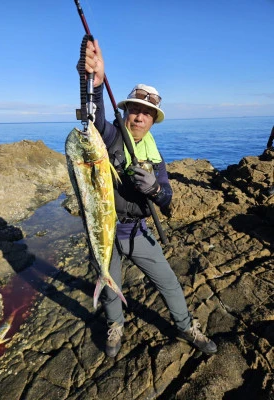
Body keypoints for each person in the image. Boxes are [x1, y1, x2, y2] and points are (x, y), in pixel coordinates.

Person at [82, 39, 217, 357]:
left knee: (168, 282)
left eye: (148, 114)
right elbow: (94, 119)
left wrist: (155, 189)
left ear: (154, 120)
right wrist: (95, 83)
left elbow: (168, 200)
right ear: (126, 110)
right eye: (136, 110)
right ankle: (115, 325)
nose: (140, 118)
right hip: (103, 231)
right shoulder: (111, 136)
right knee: (109, 286)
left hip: (135, 231)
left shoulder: (154, 157)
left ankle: (185, 327)